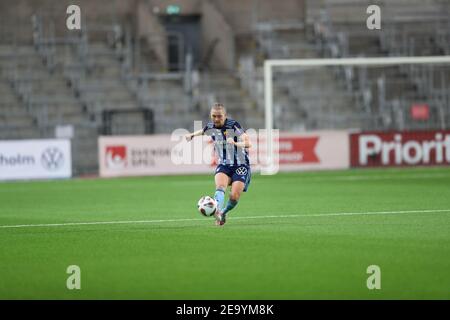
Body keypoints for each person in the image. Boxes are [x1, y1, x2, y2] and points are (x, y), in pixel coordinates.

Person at [185, 103, 252, 226]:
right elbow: (203, 131)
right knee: (220, 187)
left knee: (234, 196)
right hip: (224, 165)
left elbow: (248, 143)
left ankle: (225, 212)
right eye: (214, 116)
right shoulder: (210, 126)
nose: (216, 119)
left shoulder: (233, 125)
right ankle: (218, 214)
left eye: (219, 116)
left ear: (225, 116)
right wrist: (192, 135)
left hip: (241, 166)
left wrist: (236, 144)